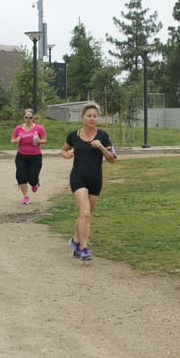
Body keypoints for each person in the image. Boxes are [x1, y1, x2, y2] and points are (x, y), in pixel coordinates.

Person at [61, 103, 116, 261]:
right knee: (85, 212)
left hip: (95, 179)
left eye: (95, 116)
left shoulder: (103, 136)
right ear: (82, 117)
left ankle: (75, 241)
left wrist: (102, 148)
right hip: (78, 178)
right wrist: (68, 154)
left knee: (84, 215)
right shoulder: (73, 135)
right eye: (89, 115)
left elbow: (112, 159)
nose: (92, 118)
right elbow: (63, 150)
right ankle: (84, 248)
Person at [11, 108, 46, 204]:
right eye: (26, 117)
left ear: (33, 117)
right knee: (21, 176)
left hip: (35, 156)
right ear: (23, 117)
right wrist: (17, 140)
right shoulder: (18, 128)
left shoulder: (39, 128)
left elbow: (44, 139)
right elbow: (12, 141)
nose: (28, 119)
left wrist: (39, 140)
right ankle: (25, 196)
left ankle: (35, 183)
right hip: (22, 156)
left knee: (32, 178)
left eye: (30, 117)